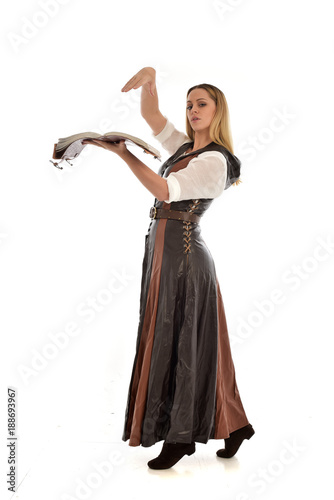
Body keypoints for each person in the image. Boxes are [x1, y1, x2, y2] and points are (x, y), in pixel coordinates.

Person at [82, 66, 255, 470]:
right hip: (162, 253)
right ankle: (234, 427)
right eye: (190, 104)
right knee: (186, 341)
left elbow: (165, 191)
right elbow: (152, 118)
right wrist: (150, 83)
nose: (193, 110)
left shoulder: (215, 161)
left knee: (183, 344)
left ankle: (180, 437)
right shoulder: (184, 149)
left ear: (219, 111)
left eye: (202, 104)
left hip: (186, 259)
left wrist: (124, 156)